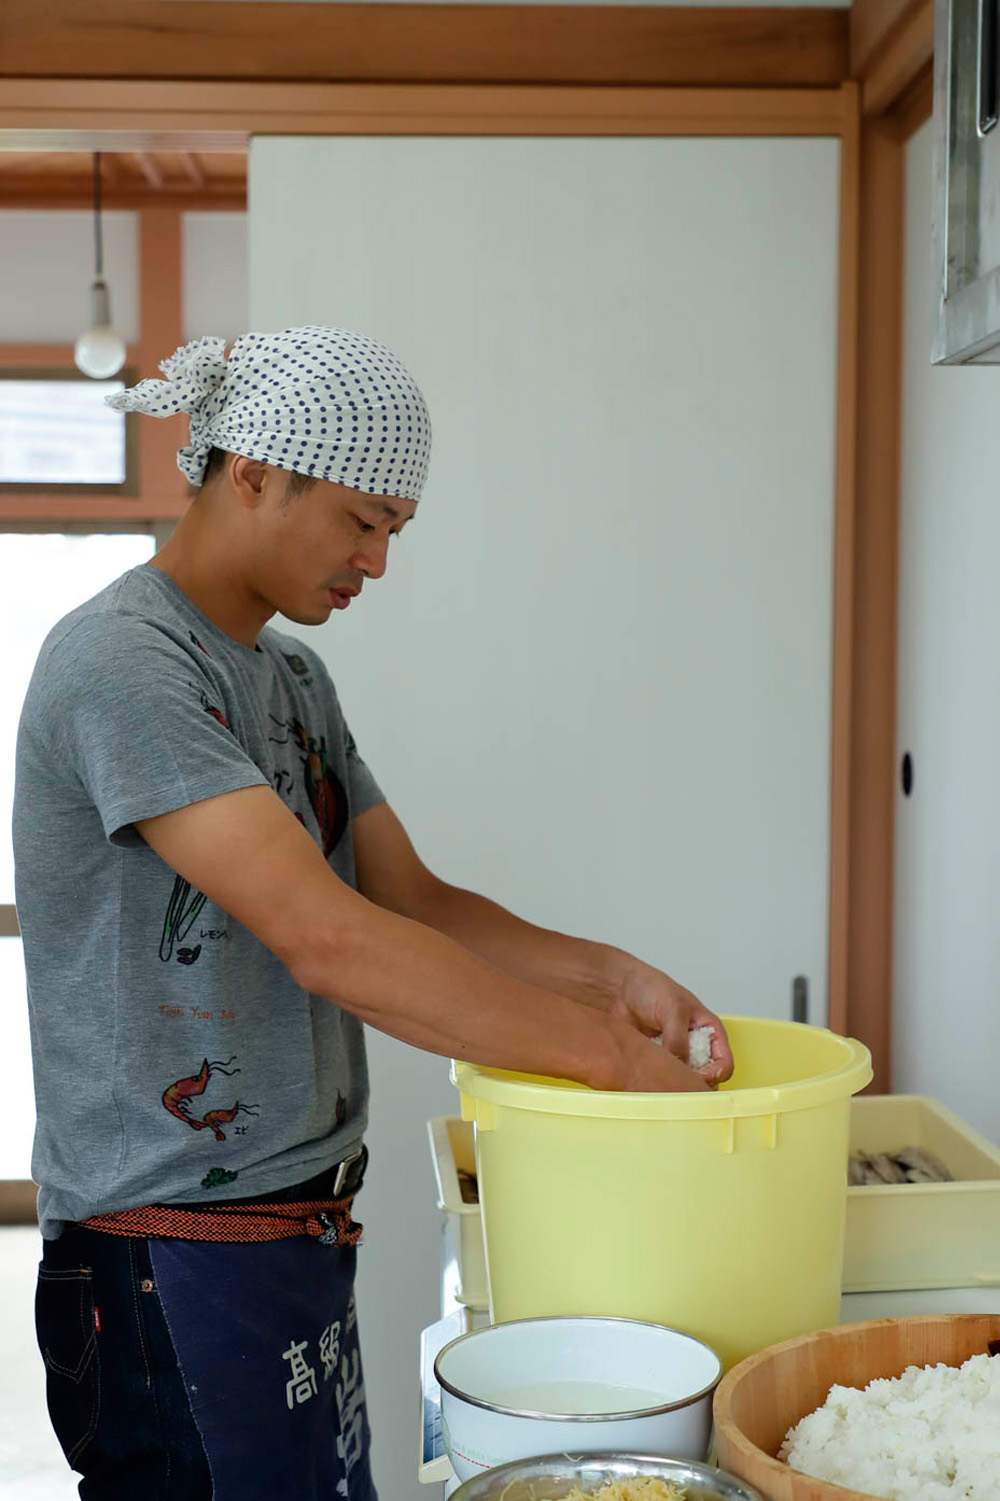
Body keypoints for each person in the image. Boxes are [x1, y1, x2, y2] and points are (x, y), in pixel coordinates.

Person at [13, 326, 733, 1501]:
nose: (379, 563)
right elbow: (329, 938)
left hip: (294, 1234)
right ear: (251, 470)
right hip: (166, 1257)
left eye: (395, 531)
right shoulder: (124, 663)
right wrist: (607, 1061)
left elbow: (412, 902)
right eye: (362, 520)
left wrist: (615, 983)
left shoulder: (293, 680)